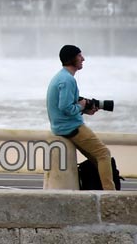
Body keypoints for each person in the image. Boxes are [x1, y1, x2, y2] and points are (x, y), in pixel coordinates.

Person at [46, 44, 114, 189]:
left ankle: (97, 189)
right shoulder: (67, 80)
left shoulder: (61, 76)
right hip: (71, 127)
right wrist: (81, 106)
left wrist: (83, 109)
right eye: (79, 56)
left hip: (62, 126)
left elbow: (67, 105)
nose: (83, 59)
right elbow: (65, 108)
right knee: (103, 154)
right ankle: (111, 194)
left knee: (96, 159)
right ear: (72, 59)